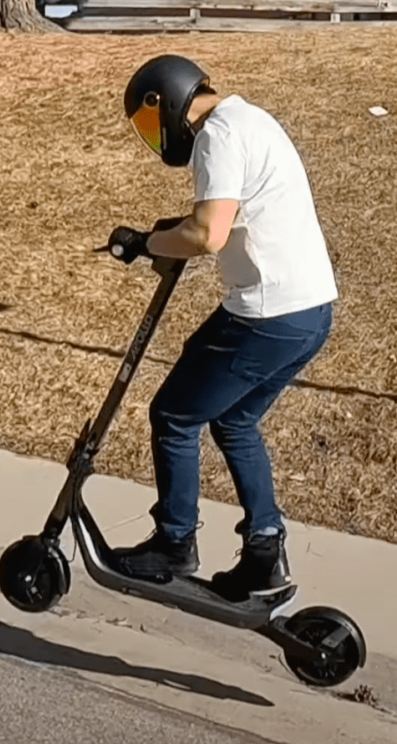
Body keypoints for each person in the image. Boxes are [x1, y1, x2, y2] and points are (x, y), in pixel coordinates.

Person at [107, 54, 339, 602]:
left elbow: (209, 234)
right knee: (235, 420)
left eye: (148, 121)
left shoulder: (217, 136)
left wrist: (145, 243)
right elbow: (232, 213)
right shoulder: (251, 119)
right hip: (311, 312)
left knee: (174, 414)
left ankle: (173, 543)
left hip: (267, 314)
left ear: (165, 102)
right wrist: (170, 232)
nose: (154, 136)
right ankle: (264, 550)